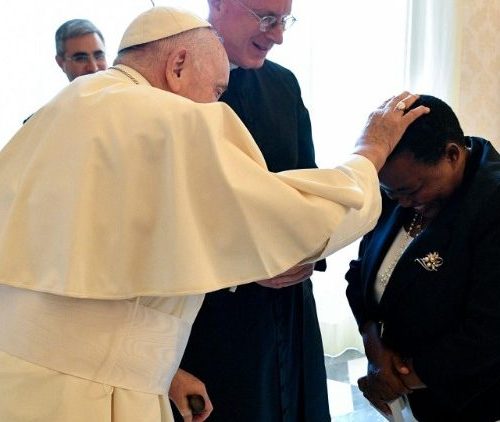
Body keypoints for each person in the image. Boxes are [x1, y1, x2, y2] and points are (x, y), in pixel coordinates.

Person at [0, 6, 426, 422]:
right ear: (178, 65)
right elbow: (296, 218)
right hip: (97, 387)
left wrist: (164, 371)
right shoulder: (167, 117)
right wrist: (370, 151)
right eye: (218, 91)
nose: (216, 104)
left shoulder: (69, 104)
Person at [175, 1, 331, 420]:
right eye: (265, 18)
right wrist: (246, 264)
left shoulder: (283, 84)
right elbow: (166, 213)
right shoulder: (170, 89)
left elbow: (307, 183)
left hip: (288, 305)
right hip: (211, 315)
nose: (277, 35)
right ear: (218, 4)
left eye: (283, 20)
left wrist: (311, 247)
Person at [345, 95, 500, 421]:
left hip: (470, 399)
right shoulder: (398, 187)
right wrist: (374, 346)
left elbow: (488, 333)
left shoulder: (491, 206)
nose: (400, 203)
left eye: (411, 191)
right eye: (391, 193)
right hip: (406, 394)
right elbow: (359, 274)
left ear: (452, 155)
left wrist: (395, 380)